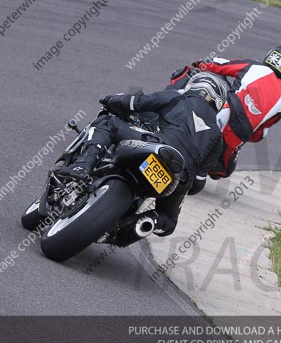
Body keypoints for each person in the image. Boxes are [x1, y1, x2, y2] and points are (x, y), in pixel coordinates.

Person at [56, 72, 228, 241]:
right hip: (180, 176)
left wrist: (109, 100)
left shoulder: (177, 98)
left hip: (158, 148)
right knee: (168, 220)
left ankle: (82, 167)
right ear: (218, 102)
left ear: (195, 86)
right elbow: (197, 184)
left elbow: (136, 102)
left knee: (108, 123)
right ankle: (134, 225)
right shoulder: (217, 138)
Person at [168, 46, 281, 178]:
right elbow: (259, 134)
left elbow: (220, 65)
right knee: (221, 171)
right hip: (236, 136)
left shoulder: (256, 67)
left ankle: (168, 104)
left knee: (192, 74)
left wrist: (200, 63)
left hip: (224, 111)